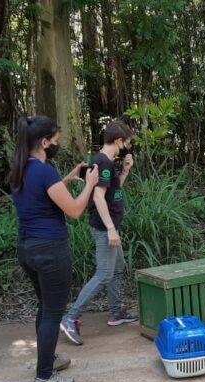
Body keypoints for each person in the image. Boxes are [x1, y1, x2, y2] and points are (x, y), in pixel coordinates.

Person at [9, 115, 99, 382]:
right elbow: (73, 211)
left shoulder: (21, 168)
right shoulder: (44, 172)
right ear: (44, 142)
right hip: (50, 250)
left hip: (27, 248)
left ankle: (47, 359)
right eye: (56, 140)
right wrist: (89, 184)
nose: (57, 144)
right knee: (52, 312)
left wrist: (70, 178)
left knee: (45, 307)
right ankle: (44, 376)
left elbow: (42, 195)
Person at [59, 120, 137, 345]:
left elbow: (114, 190)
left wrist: (125, 171)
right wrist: (111, 229)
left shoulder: (106, 162)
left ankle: (115, 313)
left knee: (118, 267)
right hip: (105, 228)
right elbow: (97, 197)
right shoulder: (102, 162)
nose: (127, 146)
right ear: (118, 140)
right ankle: (70, 318)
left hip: (110, 226)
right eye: (127, 142)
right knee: (104, 273)